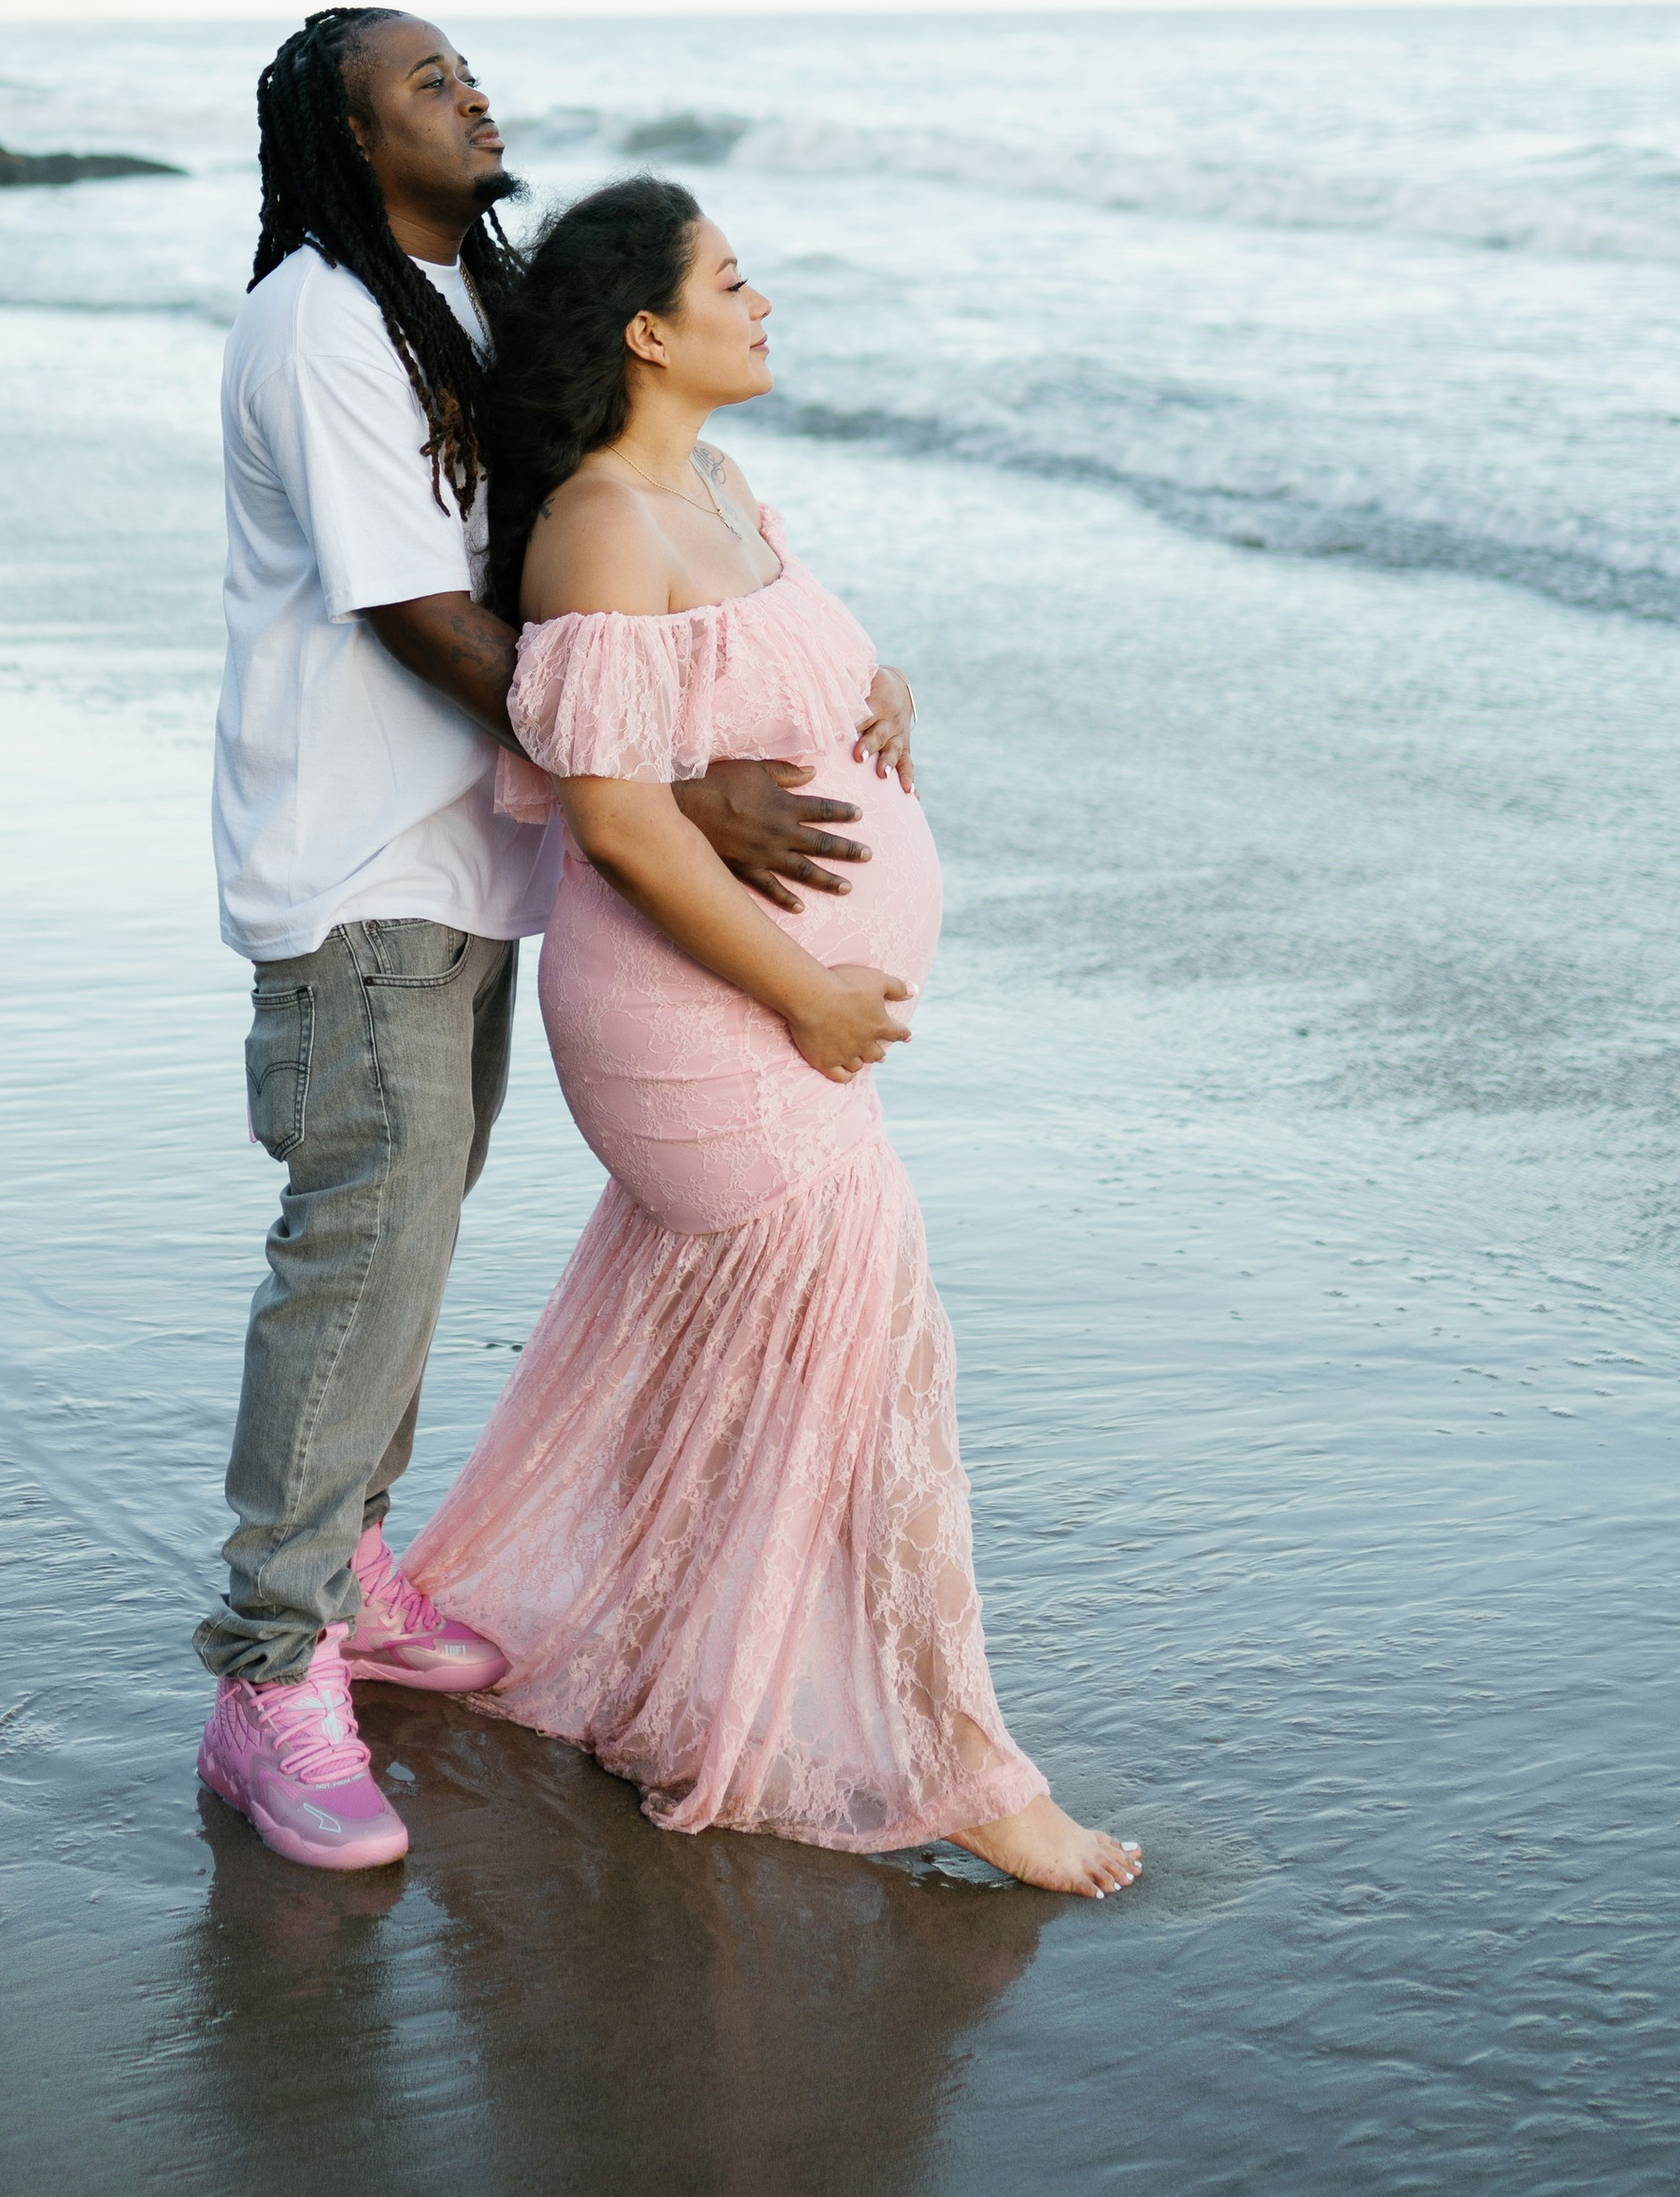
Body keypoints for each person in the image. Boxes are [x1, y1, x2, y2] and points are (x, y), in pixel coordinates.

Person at [196, 13, 894, 1873]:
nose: (470, 95)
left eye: (466, 71)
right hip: (356, 861)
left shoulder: (459, 302)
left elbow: (600, 538)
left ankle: (345, 1564)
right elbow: (425, 615)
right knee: (359, 1240)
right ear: (345, 140)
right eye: (423, 84)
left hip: (462, 858)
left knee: (411, 1228)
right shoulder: (322, 322)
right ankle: (267, 1676)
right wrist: (664, 785)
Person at [402, 177, 1142, 1898]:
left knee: (732, 1369)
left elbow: (790, 666)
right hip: (704, 1022)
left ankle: (653, 1660)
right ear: (651, 331)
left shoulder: (721, 485)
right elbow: (621, 822)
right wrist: (808, 988)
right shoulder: (600, 525)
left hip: (767, 1014)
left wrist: (882, 693)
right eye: (733, 281)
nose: (764, 302)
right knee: (872, 1375)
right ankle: (963, 1769)